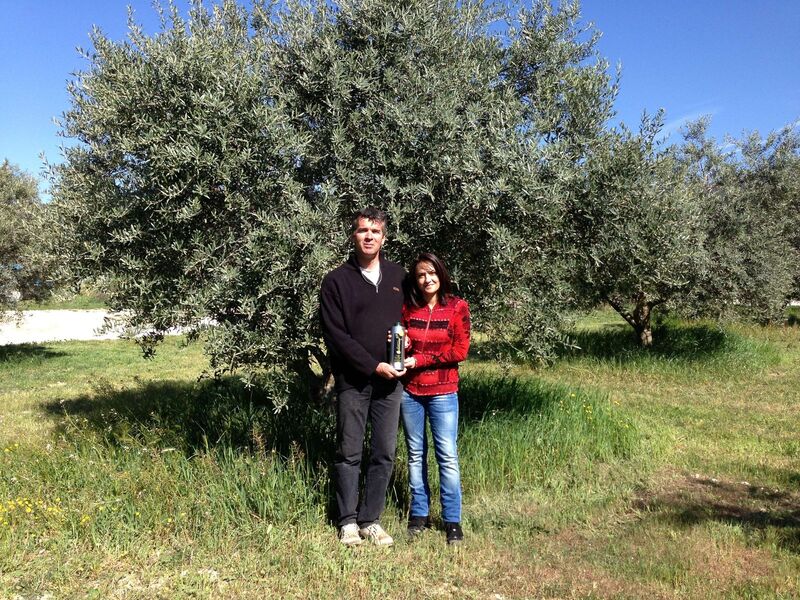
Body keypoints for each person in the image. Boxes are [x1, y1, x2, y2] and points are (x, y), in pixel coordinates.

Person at [319, 207, 406, 546]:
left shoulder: (399, 277)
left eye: (375, 231)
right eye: (362, 230)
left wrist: (407, 341)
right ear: (353, 235)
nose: (369, 236)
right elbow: (336, 336)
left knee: (384, 452)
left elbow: (410, 319)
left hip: (391, 383)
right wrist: (373, 366)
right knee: (349, 452)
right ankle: (347, 521)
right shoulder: (336, 281)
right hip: (354, 382)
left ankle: (371, 518)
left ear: (384, 238)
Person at [400, 252, 470, 545]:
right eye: (420, 275)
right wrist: (403, 345)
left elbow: (460, 351)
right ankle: (419, 515)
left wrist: (421, 359)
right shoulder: (409, 308)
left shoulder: (456, 307)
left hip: (443, 392)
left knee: (447, 457)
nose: (427, 279)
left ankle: (452, 521)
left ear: (441, 274)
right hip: (410, 392)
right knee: (415, 455)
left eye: (432, 273)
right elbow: (404, 347)